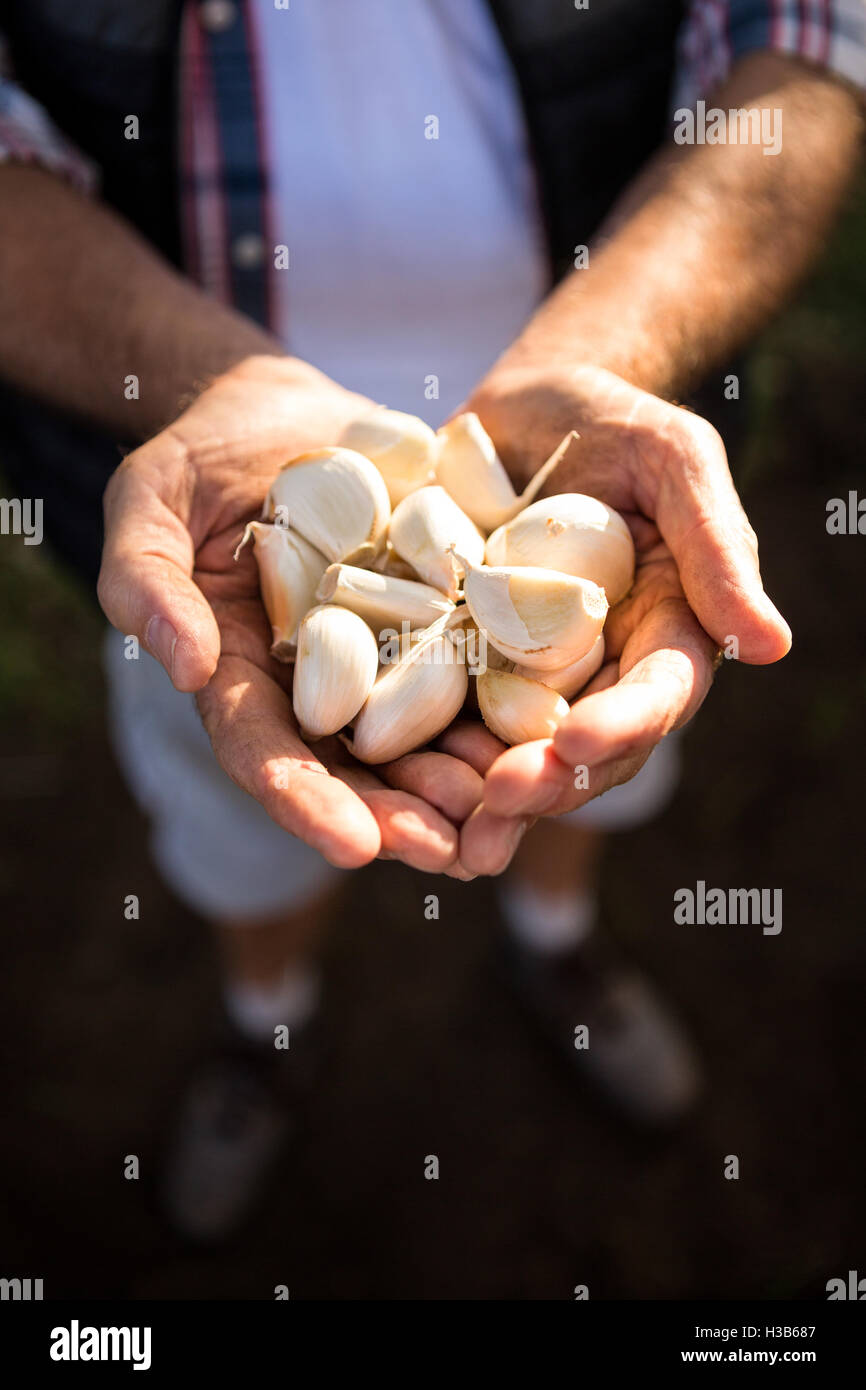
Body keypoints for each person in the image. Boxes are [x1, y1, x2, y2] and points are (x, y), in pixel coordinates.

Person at [0, 1, 861, 1238]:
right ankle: (267, 1027)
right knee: (248, 817)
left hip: (561, 445)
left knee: (573, 763)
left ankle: (555, 945)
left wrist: (607, 352)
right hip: (212, 526)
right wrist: (194, 374)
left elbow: (801, 39)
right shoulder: (278, 564)